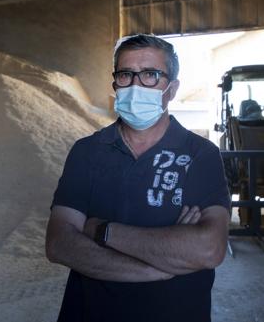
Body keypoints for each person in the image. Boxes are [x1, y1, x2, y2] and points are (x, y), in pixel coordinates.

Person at [45, 34, 230, 322]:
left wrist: (101, 231)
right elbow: (59, 243)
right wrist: (160, 267)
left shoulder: (200, 154)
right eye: (125, 75)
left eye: (150, 75)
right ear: (115, 84)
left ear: (172, 88)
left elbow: (208, 248)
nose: (135, 85)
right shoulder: (87, 152)